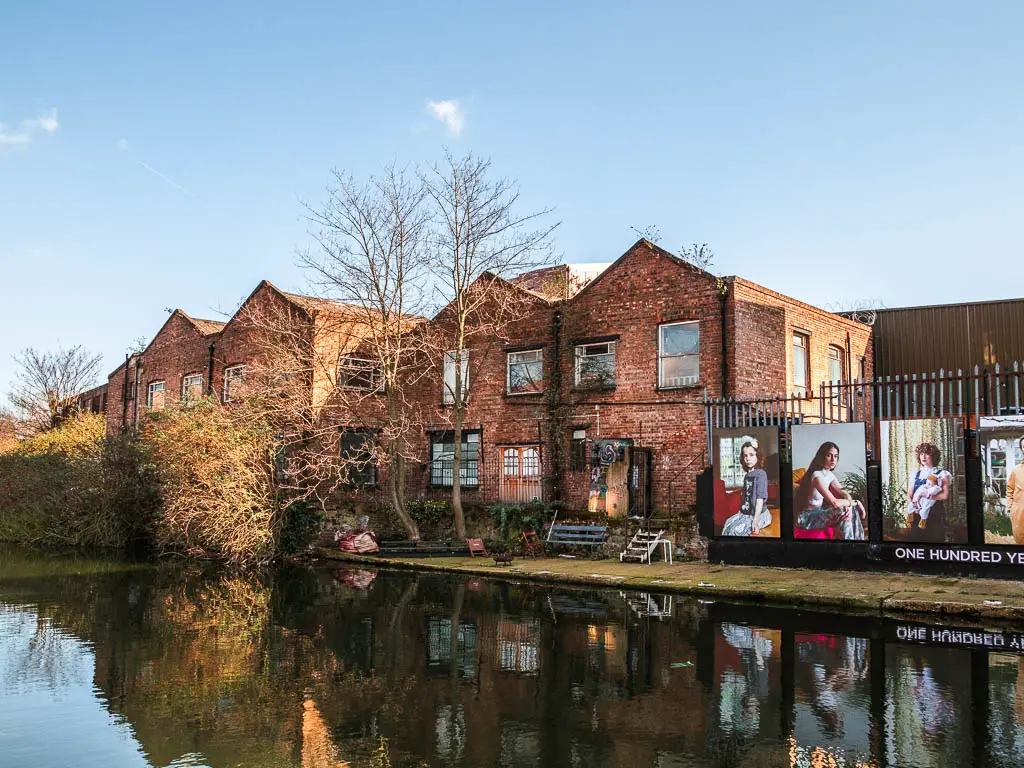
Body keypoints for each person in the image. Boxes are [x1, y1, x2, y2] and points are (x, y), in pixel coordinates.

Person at [794, 441, 867, 540]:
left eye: (836, 456)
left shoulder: (829, 474)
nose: (833, 459)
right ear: (822, 456)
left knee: (848, 510)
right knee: (842, 509)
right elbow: (834, 503)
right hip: (807, 517)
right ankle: (850, 544)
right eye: (829, 455)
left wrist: (849, 505)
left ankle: (857, 542)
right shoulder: (816, 476)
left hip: (819, 512)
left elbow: (844, 493)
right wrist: (856, 502)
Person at [721, 441, 772, 536]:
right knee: (728, 522)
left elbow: (759, 499)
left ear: (758, 456)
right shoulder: (747, 475)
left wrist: (755, 521)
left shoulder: (761, 474)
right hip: (746, 513)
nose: (748, 458)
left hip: (758, 514)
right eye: (745, 455)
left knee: (734, 530)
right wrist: (741, 510)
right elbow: (746, 496)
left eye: (751, 455)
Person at [905, 442, 951, 542]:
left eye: (927, 453)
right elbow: (909, 494)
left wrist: (927, 496)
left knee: (935, 543)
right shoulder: (915, 474)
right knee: (916, 541)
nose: (923, 456)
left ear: (933, 456)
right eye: (921, 454)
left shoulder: (943, 474)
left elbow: (945, 495)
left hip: (935, 514)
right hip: (917, 515)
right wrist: (914, 506)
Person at [1007, 436, 1024, 545]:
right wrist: (1010, 508)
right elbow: (1010, 489)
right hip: (1019, 516)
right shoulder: (1016, 470)